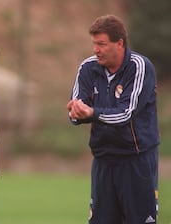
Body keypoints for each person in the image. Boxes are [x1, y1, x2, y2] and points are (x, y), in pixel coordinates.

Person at [67, 14, 160, 224]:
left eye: (102, 44)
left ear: (119, 44)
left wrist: (92, 113)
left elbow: (126, 113)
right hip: (103, 160)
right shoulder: (88, 68)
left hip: (136, 160)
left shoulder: (139, 67)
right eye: (94, 44)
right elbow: (76, 106)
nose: (95, 50)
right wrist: (76, 113)